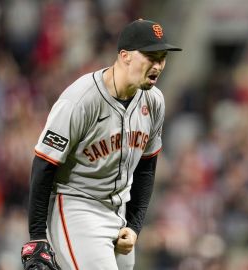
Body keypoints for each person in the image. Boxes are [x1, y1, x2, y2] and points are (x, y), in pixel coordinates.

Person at [21, 18, 182, 270]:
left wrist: (134, 225)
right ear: (125, 56)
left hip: (118, 212)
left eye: (162, 57)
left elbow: (147, 167)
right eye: (151, 56)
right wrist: (37, 235)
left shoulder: (154, 101)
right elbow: (44, 164)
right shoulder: (82, 99)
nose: (158, 65)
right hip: (76, 207)